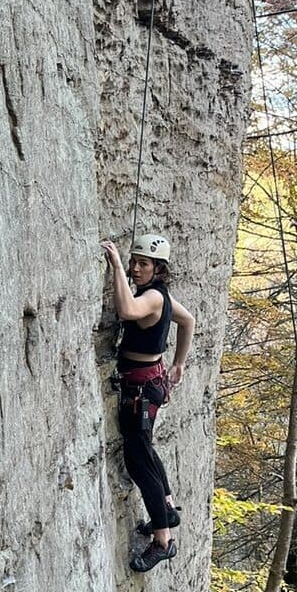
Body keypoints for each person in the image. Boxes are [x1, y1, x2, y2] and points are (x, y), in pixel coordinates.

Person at [101, 233, 196, 572]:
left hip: (140, 389)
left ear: (158, 269)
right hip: (147, 383)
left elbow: (127, 310)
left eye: (143, 264)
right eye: (133, 262)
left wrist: (114, 266)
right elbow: (187, 321)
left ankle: (162, 540)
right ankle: (166, 507)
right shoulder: (161, 295)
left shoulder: (153, 297)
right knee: (144, 450)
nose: (135, 268)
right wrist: (179, 363)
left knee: (139, 461)